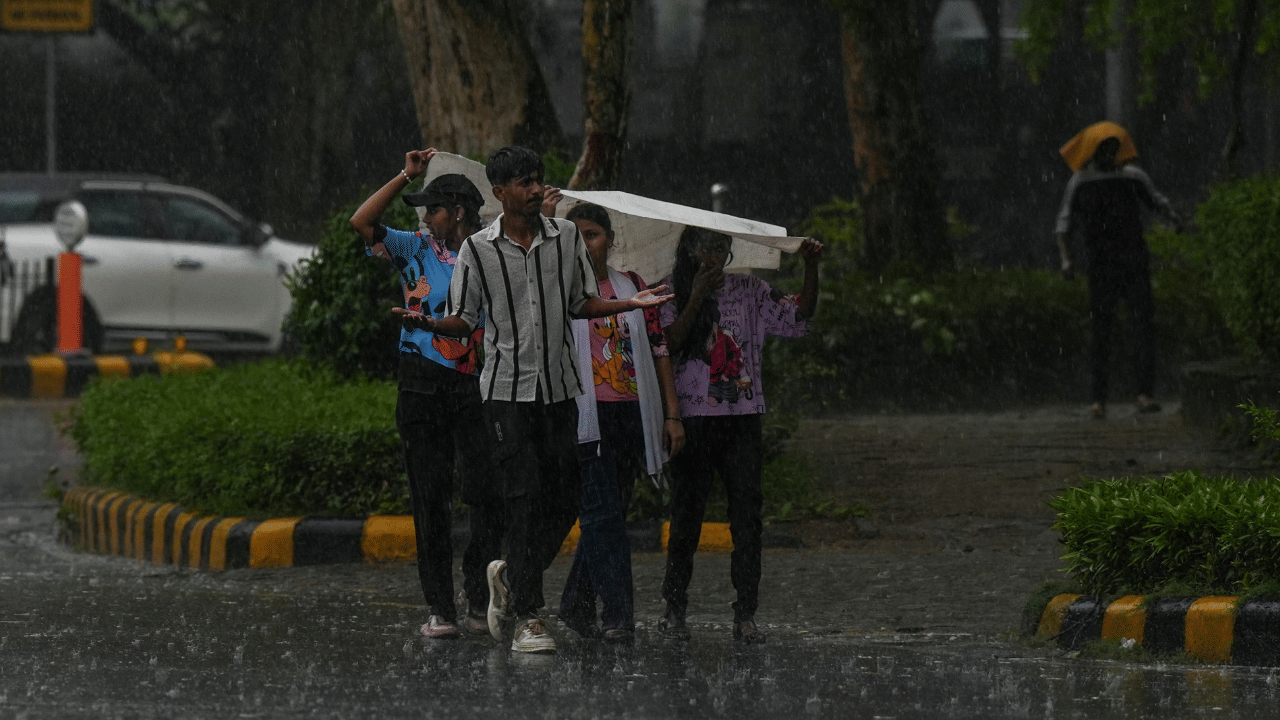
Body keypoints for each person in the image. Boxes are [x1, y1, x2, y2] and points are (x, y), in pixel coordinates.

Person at [396, 146, 673, 654]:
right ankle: (528, 616)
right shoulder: (478, 249)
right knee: (522, 495)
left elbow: (581, 302)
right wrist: (429, 323)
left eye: (536, 179)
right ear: (499, 193)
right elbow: (465, 317)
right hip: (505, 393)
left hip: (561, 389)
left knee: (565, 496)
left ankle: (512, 575)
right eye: (522, 182)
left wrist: (627, 303)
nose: (533, 188)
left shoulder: (565, 237)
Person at [349, 148, 503, 639]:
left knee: (486, 494)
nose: (426, 216)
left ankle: (478, 596)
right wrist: (405, 175)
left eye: (433, 208)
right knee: (429, 496)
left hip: (476, 385)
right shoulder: (416, 247)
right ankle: (440, 607)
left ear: (456, 212)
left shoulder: (489, 253)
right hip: (420, 382)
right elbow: (362, 221)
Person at [658, 226, 822, 644]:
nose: (715, 256)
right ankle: (674, 609)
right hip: (692, 420)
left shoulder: (749, 289)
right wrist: (695, 295)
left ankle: (745, 613)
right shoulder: (667, 292)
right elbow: (669, 343)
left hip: (742, 418)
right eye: (707, 247)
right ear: (690, 251)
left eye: (722, 248)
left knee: (747, 518)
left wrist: (811, 266)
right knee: (686, 519)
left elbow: (799, 315)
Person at [553, 202, 686, 644]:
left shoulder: (632, 286)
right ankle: (617, 616)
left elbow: (659, 347)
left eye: (592, 234)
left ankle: (575, 603)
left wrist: (671, 412)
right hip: (584, 416)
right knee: (602, 514)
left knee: (609, 513)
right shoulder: (558, 286)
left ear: (610, 239)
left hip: (634, 413)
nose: (585, 242)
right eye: (575, 234)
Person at [1055, 121, 1182, 419]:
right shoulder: (1080, 182)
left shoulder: (1132, 177)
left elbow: (1158, 203)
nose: (1109, 153)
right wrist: (1066, 259)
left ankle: (1143, 394)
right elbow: (1063, 225)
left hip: (1132, 262)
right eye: (1104, 149)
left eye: (1113, 148)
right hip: (1102, 265)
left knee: (1141, 328)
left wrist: (1177, 221)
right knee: (1102, 331)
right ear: (1092, 152)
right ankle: (1099, 400)